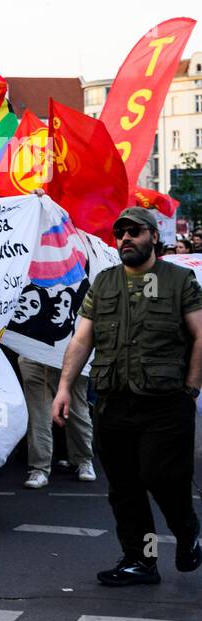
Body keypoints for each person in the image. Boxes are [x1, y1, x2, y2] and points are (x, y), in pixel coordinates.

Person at [53, 207, 202, 585]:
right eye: (120, 232)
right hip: (115, 400)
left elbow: (200, 336)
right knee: (124, 488)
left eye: (134, 231)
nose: (125, 238)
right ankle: (142, 559)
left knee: (161, 477)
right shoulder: (103, 283)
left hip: (166, 402)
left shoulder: (179, 280)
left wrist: (191, 389)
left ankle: (187, 532)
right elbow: (82, 339)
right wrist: (65, 387)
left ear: (153, 236)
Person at [17, 356, 95, 487]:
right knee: (38, 416)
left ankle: (84, 460)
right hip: (34, 356)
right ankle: (40, 468)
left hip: (69, 356)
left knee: (77, 412)